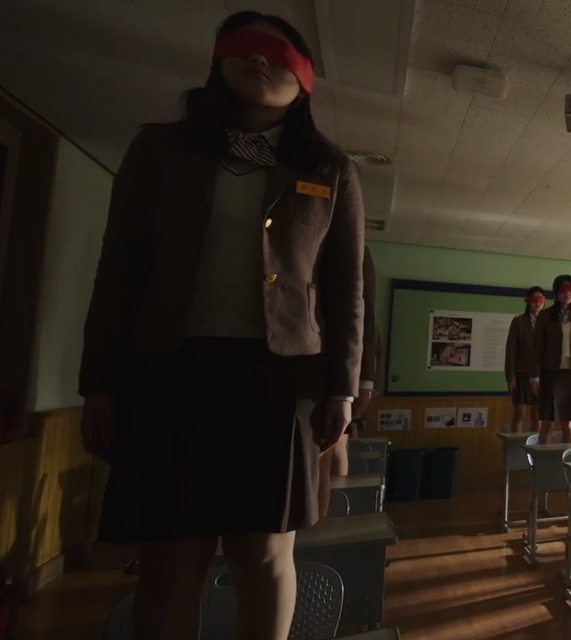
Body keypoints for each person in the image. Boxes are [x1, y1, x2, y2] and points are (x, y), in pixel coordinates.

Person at [78, 11, 364, 640]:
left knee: (263, 553)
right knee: (169, 559)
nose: (260, 60)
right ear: (218, 61)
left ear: (305, 78)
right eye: (245, 48)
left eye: (277, 53)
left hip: (279, 378)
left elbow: (346, 287)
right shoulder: (160, 150)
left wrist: (343, 389)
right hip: (166, 368)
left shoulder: (330, 168)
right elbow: (118, 268)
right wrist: (97, 381)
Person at [319, 247, 381, 518]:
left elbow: (364, 319)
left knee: (333, 444)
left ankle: (331, 518)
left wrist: (365, 380)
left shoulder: (355, 249)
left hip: (333, 365)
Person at [532, 275, 571, 445]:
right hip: (550, 373)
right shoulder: (545, 316)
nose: (567, 293)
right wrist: (535, 376)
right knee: (548, 423)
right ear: (556, 293)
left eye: (570, 290)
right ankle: (543, 460)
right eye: (562, 290)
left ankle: (568, 458)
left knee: (569, 423)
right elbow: (537, 348)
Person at [505, 286, 546, 433]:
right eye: (534, 300)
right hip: (521, 373)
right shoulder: (518, 322)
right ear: (527, 301)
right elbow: (511, 350)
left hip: (541, 374)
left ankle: (535, 442)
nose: (537, 303)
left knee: (538, 414)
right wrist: (511, 376)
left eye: (540, 300)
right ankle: (516, 443)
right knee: (519, 412)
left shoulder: (547, 322)